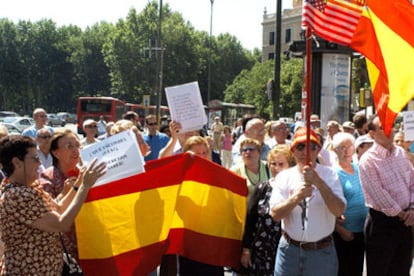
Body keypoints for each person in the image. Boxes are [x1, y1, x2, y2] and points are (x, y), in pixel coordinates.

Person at [0, 135, 105, 274]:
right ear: (17, 163)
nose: (39, 164)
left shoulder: (30, 187)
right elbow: (62, 223)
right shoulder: (18, 195)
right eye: (35, 159)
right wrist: (85, 187)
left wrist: (78, 184)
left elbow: (58, 208)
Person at [270, 128, 346, 275]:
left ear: (318, 150)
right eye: (300, 147)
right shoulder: (284, 177)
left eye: (311, 146)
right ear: (293, 151)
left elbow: (338, 210)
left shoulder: (330, 175)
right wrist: (296, 197)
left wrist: (319, 182)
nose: (305, 152)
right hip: (289, 251)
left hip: (321, 252)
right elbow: (275, 215)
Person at [359, 114, 414, 276]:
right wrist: (404, 214)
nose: (390, 130)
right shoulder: (368, 161)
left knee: (402, 268)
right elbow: (380, 196)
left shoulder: (401, 154)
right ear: (372, 134)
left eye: (391, 125)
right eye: (383, 127)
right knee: (380, 270)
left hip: (405, 221)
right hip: (382, 224)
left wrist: (411, 208)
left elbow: (412, 182)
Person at [240, 145, 295, 275]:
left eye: (281, 164)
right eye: (273, 164)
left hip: (288, 250)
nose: (276, 168)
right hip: (262, 249)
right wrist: (246, 250)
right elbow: (250, 219)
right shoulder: (262, 187)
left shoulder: (297, 188)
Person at [39, 129, 84, 260]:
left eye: (77, 145)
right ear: (56, 153)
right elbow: (52, 216)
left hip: (90, 242)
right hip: (64, 252)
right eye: (69, 146)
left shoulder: (86, 174)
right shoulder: (47, 179)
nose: (76, 150)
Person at [332, 132, 367, 276]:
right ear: (335, 150)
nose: (346, 151)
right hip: (345, 234)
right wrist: (341, 230)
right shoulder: (333, 173)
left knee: (357, 270)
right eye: (342, 147)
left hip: (362, 230)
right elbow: (328, 206)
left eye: (349, 146)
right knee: (344, 271)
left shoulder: (360, 169)